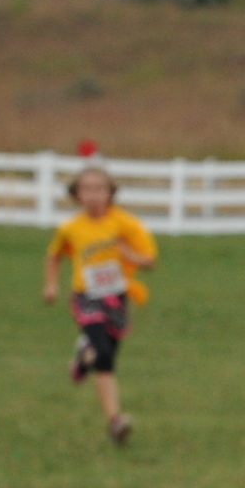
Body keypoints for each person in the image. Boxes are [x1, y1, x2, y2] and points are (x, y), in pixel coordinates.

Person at [41, 164, 155, 446]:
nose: (93, 195)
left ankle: (83, 358)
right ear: (77, 194)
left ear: (110, 193)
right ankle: (115, 421)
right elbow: (54, 255)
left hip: (117, 297)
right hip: (87, 297)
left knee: (107, 355)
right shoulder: (71, 228)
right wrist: (52, 284)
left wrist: (129, 254)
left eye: (99, 189)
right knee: (103, 354)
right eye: (86, 189)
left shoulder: (124, 224)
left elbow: (149, 260)